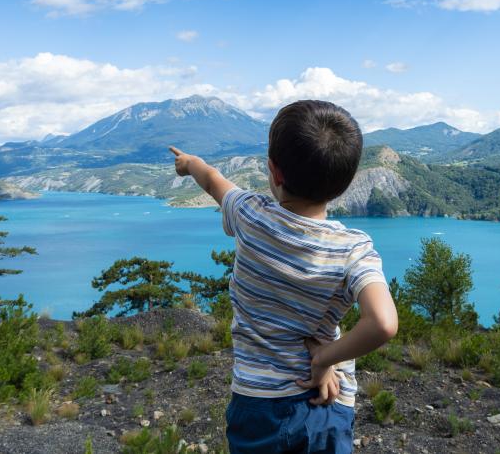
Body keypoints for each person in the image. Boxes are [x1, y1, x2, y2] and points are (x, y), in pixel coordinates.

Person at [169, 99, 398, 454]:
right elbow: (383, 323)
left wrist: (188, 164)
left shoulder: (249, 213)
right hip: (325, 401)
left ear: (274, 172)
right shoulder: (353, 248)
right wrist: (324, 359)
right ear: (346, 181)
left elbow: (212, 180)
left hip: (256, 404)